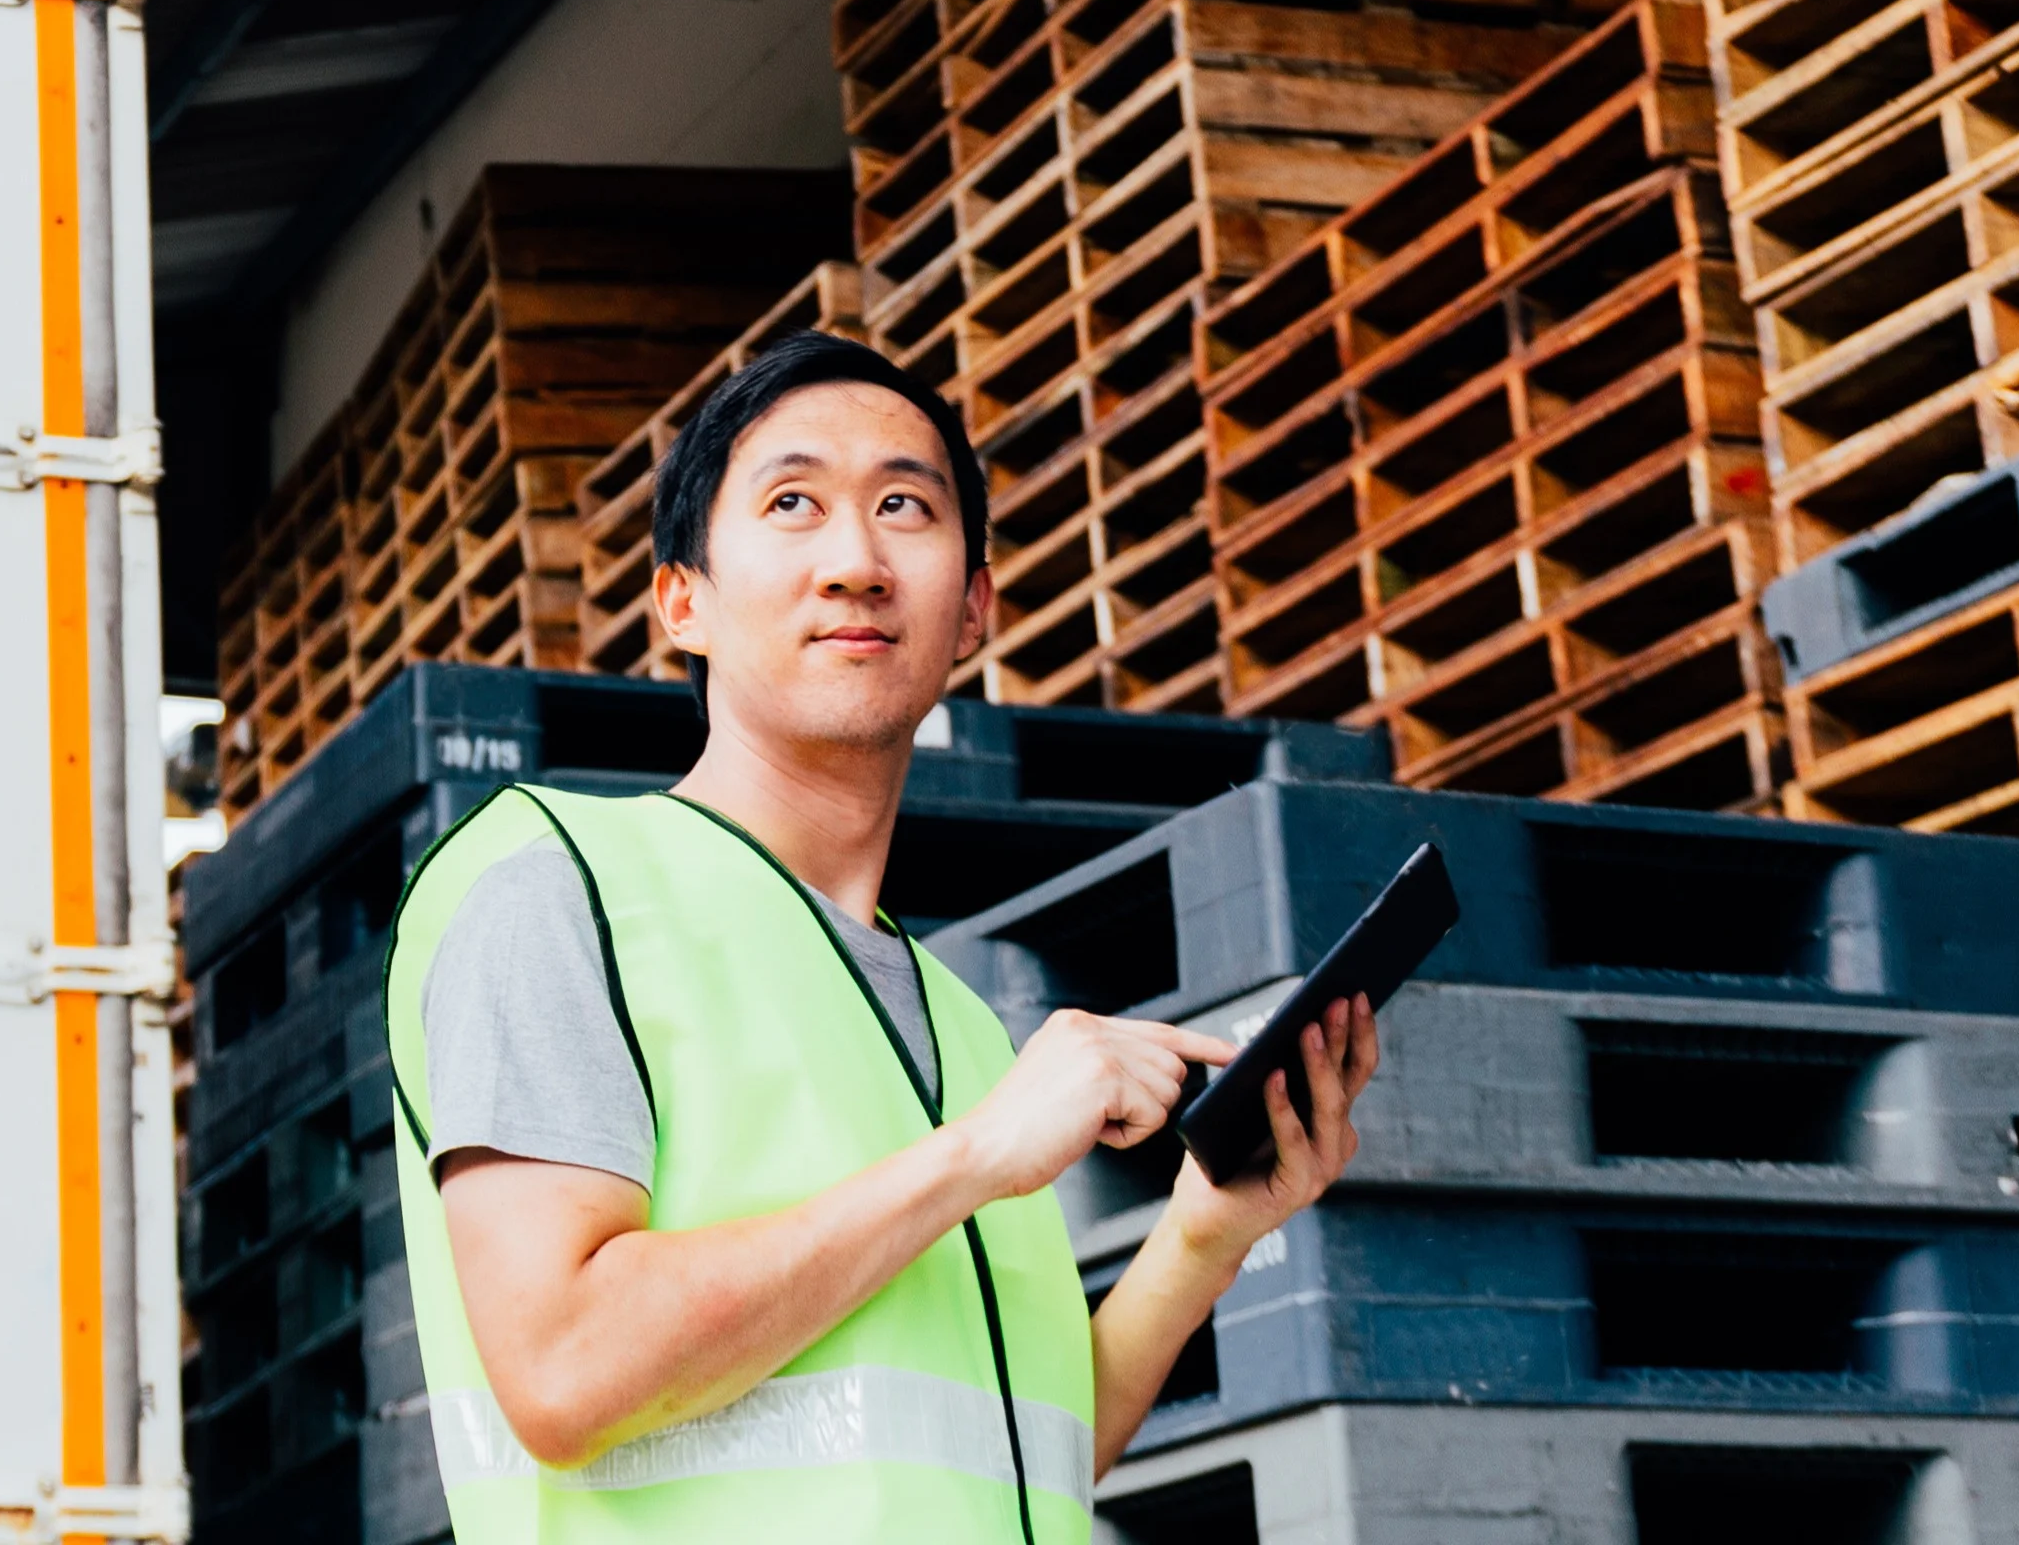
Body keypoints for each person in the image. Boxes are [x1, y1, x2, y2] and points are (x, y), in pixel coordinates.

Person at [379, 332, 1382, 1545]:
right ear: (679, 601)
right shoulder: (556, 883)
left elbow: (1021, 1453)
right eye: (792, 502)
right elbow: (564, 1365)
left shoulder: (954, 1023)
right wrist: (976, 1155)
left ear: (971, 608)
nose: (854, 560)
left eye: (903, 505)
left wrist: (1204, 1229)